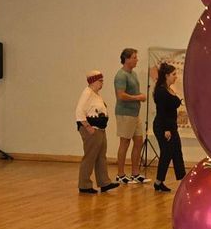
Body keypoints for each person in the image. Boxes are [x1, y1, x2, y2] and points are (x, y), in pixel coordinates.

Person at [74, 69, 119, 195]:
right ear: (93, 81)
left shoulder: (96, 94)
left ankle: (104, 182)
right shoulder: (87, 93)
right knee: (90, 157)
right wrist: (88, 127)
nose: (102, 83)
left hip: (100, 129)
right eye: (100, 81)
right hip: (92, 130)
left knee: (101, 157)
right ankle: (84, 184)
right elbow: (79, 112)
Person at [114, 47, 147, 184]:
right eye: (134, 57)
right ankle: (120, 174)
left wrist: (137, 98)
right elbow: (120, 95)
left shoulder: (133, 74)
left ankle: (135, 173)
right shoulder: (121, 75)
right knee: (125, 143)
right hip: (125, 113)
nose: (136, 59)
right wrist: (138, 97)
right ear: (126, 59)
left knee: (139, 141)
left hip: (135, 114)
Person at [152, 60, 186, 194]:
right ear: (166, 75)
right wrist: (166, 130)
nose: (175, 76)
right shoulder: (161, 91)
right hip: (163, 127)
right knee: (167, 153)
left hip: (171, 127)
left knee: (176, 150)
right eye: (173, 74)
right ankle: (158, 182)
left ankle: (182, 180)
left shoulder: (168, 89)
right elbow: (162, 111)